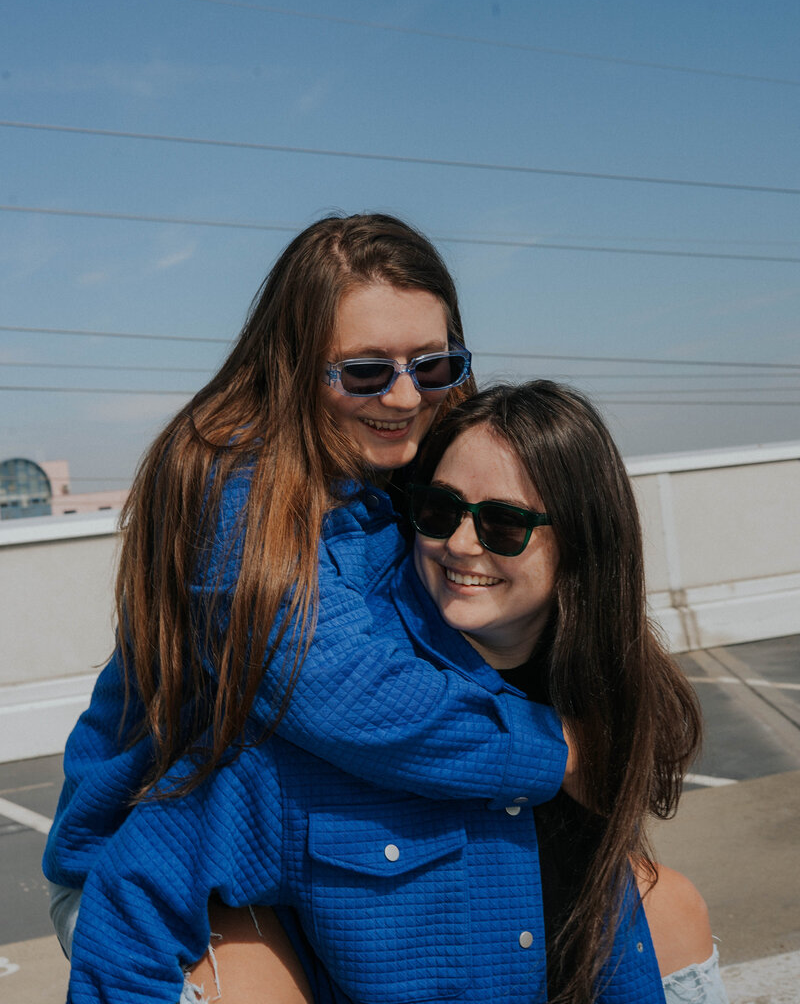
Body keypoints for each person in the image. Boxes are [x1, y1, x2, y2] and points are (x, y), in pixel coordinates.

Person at [44, 216, 573, 998]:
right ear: (292, 364)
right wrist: (553, 750)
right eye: (365, 371)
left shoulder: (402, 472)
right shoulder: (231, 491)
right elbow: (342, 695)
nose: (404, 395)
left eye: (433, 365)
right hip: (161, 858)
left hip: (309, 838)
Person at [64, 382, 728, 1004]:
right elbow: (134, 891)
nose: (461, 544)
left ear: (583, 543)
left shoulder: (605, 705)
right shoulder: (337, 724)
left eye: (502, 525)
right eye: (439, 512)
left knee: (668, 905)